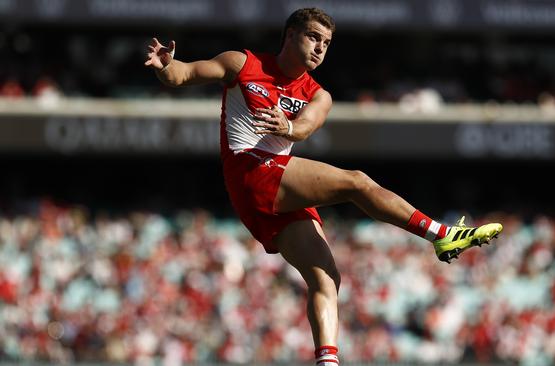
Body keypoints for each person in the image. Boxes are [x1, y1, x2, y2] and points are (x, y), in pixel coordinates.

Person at [145, 8, 502, 365]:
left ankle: (327, 362)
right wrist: (165, 66)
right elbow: (184, 74)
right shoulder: (243, 64)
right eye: (313, 37)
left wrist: (289, 128)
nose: (320, 48)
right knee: (357, 182)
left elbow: (304, 127)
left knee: (327, 281)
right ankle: (441, 233)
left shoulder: (319, 95)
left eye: (327, 43)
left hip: (270, 191)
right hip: (250, 171)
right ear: (289, 35)